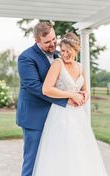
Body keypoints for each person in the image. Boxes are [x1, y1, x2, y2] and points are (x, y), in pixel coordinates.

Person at [32, 32, 108, 176]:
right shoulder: (57, 64)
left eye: (68, 51)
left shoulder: (80, 66)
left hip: (78, 116)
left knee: (80, 151)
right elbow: (46, 89)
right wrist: (72, 95)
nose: (65, 54)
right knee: (62, 150)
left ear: (76, 49)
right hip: (60, 114)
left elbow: (85, 90)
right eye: (62, 51)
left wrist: (84, 96)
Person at [16, 22, 84, 176]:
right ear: (37, 41)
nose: (53, 44)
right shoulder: (26, 58)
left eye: (54, 39)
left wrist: (80, 92)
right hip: (34, 117)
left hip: (56, 117)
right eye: (47, 42)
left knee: (51, 160)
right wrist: (66, 100)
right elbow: (36, 88)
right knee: (32, 161)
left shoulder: (59, 56)